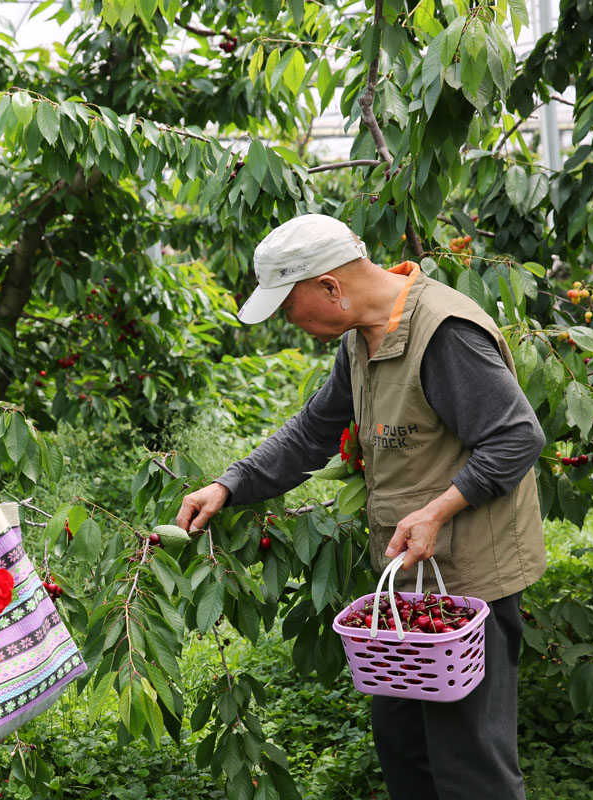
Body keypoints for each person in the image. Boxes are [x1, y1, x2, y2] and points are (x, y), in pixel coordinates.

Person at [176, 214, 547, 800]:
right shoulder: (361, 339)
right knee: (404, 748)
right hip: (408, 586)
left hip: (469, 583)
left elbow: (517, 438)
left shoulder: (443, 332)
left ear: (330, 286)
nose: (292, 324)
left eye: (289, 306)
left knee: (470, 762)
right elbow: (313, 432)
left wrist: (437, 510)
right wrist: (229, 484)